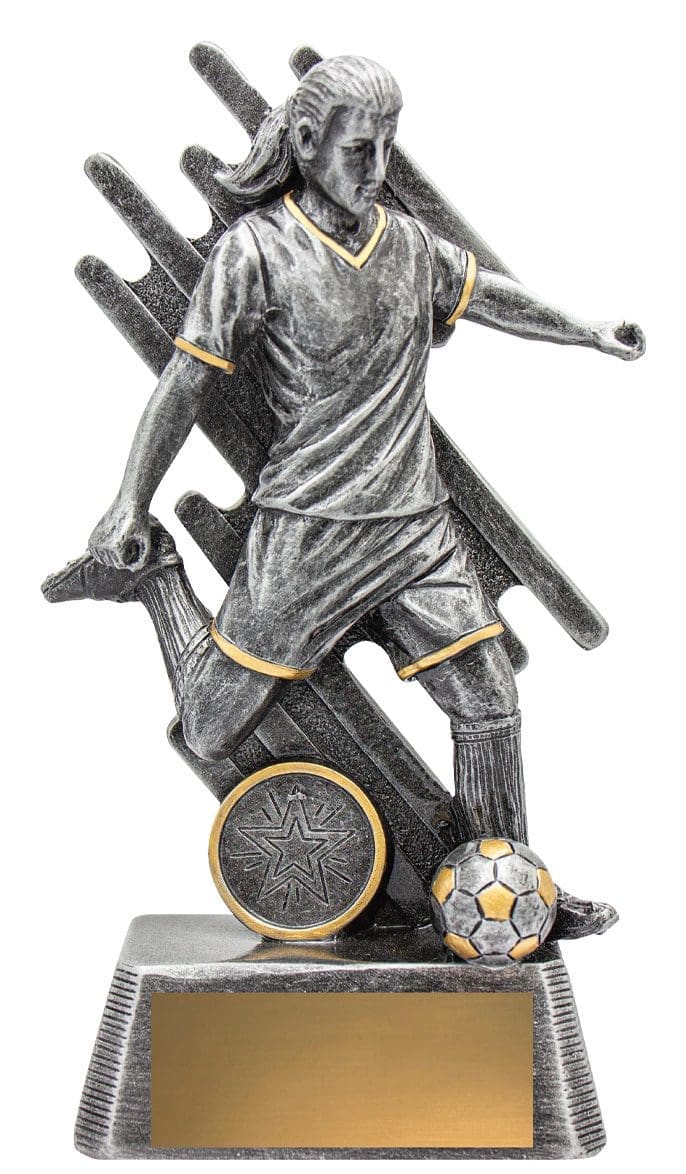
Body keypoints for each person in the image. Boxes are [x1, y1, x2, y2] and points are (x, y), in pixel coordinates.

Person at [43, 55, 644, 935]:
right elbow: (186, 381)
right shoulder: (256, 251)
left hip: (415, 531)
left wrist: (585, 330)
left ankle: (515, 898)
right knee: (209, 728)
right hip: (308, 531)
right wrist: (129, 502)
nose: (377, 168)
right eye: (360, 148)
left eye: (388, 147)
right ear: (304, 142)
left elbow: (487, 296)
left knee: (489, 701)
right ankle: (159, 579)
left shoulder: (406, 244)